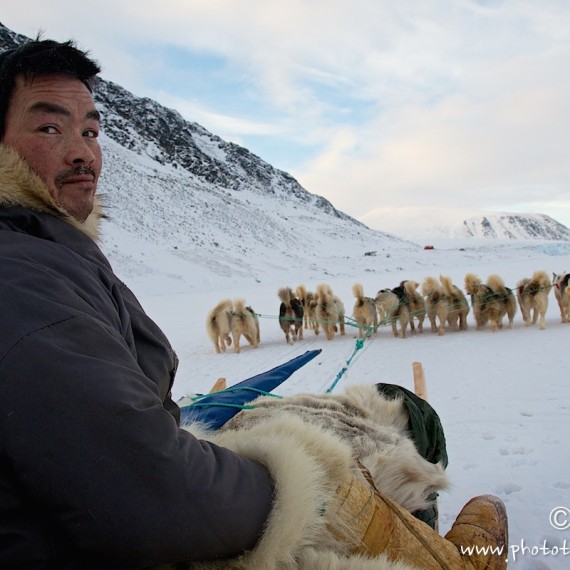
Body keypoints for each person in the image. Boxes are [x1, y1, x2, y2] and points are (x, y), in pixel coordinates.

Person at [0, 37, 507, 570]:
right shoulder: (22, 279)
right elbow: (154, 495)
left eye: (91, 131)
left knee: (379, 411)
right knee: (383, 444)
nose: (82, 151)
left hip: (127, 496)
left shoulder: (50, 253)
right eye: (49, 128)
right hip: (127, 539)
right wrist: (303, 484)